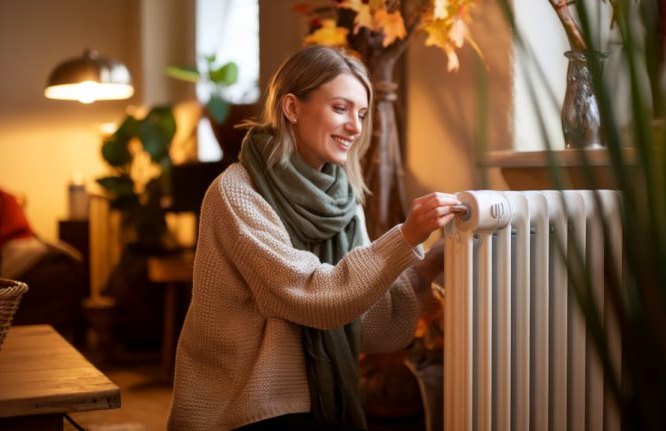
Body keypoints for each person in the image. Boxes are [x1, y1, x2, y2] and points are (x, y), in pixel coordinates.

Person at [167, 45, 460, 431]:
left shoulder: (344, 201)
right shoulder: (236, 194)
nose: (356, 126)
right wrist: (405, 237)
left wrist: (432, 264)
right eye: (341, 108)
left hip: (311, 403)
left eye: (361, 113)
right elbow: (315, 297)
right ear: (292, 107)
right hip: (242, 408)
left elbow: (365, 324)